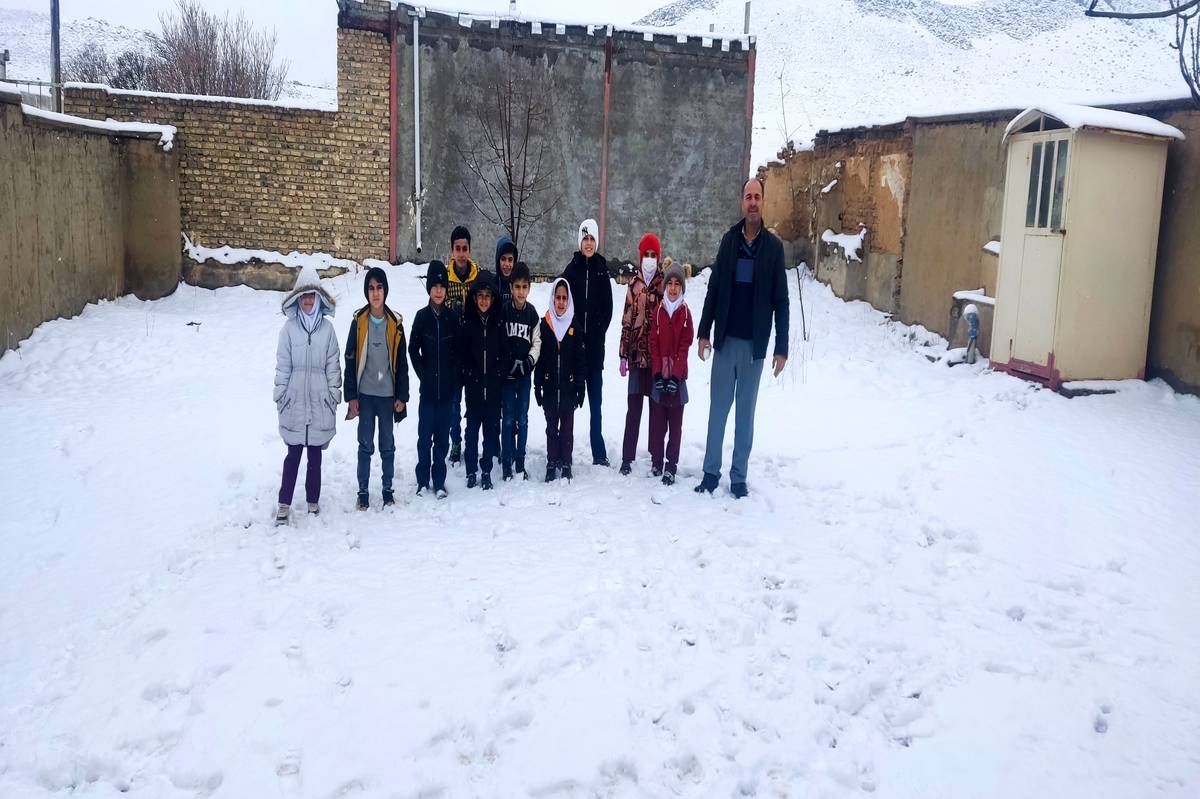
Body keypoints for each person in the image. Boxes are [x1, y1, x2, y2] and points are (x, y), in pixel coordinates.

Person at [695, 178, 790, 498]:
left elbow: (781, 301)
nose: (752, 202)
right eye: (748, 196)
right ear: (742, 202)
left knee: (745, 416)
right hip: (725, 343)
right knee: (717, 412)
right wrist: (704, 333)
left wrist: (781, 347)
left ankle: (738, 477)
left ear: (763, 202)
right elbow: (714, 289)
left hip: (753, 348)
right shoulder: (729, 241)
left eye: (757, 197)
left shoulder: (773, 249)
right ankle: (711, 472)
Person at [273, 265, 341, 525]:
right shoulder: (289, 329)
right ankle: (284, 503)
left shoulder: (328, 330)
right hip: (295, 402)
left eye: (312, 296)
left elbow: (333, 366)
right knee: (293, 455)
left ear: (319, 297)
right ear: (298, 298)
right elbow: (283, 366)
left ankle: (313, 500)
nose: (309, 301)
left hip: (319, 403)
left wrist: (333, 396)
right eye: (304, 296)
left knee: (315, 456)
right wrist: (281, 396)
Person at [344, 266, 409, 511]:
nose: (375, 293)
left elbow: (401, 363)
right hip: (365, 396)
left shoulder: (395, 324)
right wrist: (351, 396)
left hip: (387, 397)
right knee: (365, 445)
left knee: (387, 446)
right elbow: (350, 359)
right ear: (366, 292)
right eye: (371, 288)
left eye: (379, 287)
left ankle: (387, 490)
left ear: (385, 291)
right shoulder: (359, 322)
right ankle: (363, 491)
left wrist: (402, 395)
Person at [561, 218, 614, 466]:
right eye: (585, 239)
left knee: (596, 403)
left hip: (594, 351)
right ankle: (564, 449)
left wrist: (597, 331)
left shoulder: (602, 270)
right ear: (579, 242)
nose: (589, 243)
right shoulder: (571, 270)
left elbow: (608, 309)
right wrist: (573, 333)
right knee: (567, 402)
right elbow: (562, 303)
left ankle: (598, 451)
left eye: (592, 239)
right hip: (573, 350)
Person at [409, 261, 461, 499]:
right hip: (428, 392)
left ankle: (439, 481)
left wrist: (454, 377)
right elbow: (413, 349)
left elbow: (459, 353)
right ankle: (422, 481)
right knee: (424, 438)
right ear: (429, 288)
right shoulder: (421, 317)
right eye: (435, 286)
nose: (439, 291)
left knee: (441, 439)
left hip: (447, 392)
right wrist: (423, 374)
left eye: (442, 286)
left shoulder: (452, 318)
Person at [617, 233, 666, 475]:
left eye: (653, 255)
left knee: (657, 411)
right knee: (634, 408)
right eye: (646, 254)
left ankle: (657, 458)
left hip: (656, 360)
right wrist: (623, 354)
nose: (649, 259)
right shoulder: (633, 286)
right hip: (636, 357)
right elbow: (626, 321)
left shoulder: (664, 285)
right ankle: (627, 458)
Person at [458, 270, 508, 490]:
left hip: (493, 390)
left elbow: (505, 353)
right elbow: (463, 355)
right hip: (474, 390)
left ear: (493, 299)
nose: (484, 301)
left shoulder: (498, 323)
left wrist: (499, 374)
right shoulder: (468, 324)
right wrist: (468, 375)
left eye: (488, 296)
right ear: (474, 298)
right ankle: (471, 470)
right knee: (471, 433)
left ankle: (486, 469)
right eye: (480, 296)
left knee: (490, 432)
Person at [533, 277, 586, 482]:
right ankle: (552, 461)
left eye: (565, 298)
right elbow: (540, 359)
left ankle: (566, 462)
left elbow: (580, 360)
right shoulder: (545, 324)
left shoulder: (574, 325)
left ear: (569, 300)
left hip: (568, 388)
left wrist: (580, 386)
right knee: (551, 428)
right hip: (549, 387)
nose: (561, 302)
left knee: (567, 429)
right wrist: (538, 385)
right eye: (558, 298)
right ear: (553, 299)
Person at [648, 261, 693, 485]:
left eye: (677, 284)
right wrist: (657, 373)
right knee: (657, 425)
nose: (673, 288)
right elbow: (653, 345)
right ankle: (656, 461)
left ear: (682, 287)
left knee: (675, 427)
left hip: (677, 378)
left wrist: (676, 376)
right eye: (670, 284)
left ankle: (671, 465)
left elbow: (685, 347)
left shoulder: (685, 314)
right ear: (665, 286)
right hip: (660, 377)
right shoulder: (658, 312)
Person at [501, 261, 539, 481]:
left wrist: (529, 362)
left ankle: (520, 462)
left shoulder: (532, 314)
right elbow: (498, 338)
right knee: (507, 419)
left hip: (524, 377)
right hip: (507, 377)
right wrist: (506, 361)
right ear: (511, 287)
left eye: (524, 287)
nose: (520, 292)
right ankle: (506, 463)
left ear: (529, 288)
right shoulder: (504, 311)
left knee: (522, 419)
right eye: (517, 287)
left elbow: (537, 342)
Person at [446, 225, 479, 465]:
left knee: (474, 402)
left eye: (464, 248)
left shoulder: (477, 276)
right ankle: (455, 441)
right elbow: (437, 304)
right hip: (453, 352)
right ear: (452, 251)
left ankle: (471, 441)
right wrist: (452, 308)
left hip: (474, 350)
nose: (461, 253)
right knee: (454, 403)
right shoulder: (445, 278)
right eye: (457, 249)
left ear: (469, 250)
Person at [495, 234, 518, 307]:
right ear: (498, 261)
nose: (507, 264)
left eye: (510, 260)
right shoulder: (492, 284)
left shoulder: (518, 285)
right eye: (503, 259)